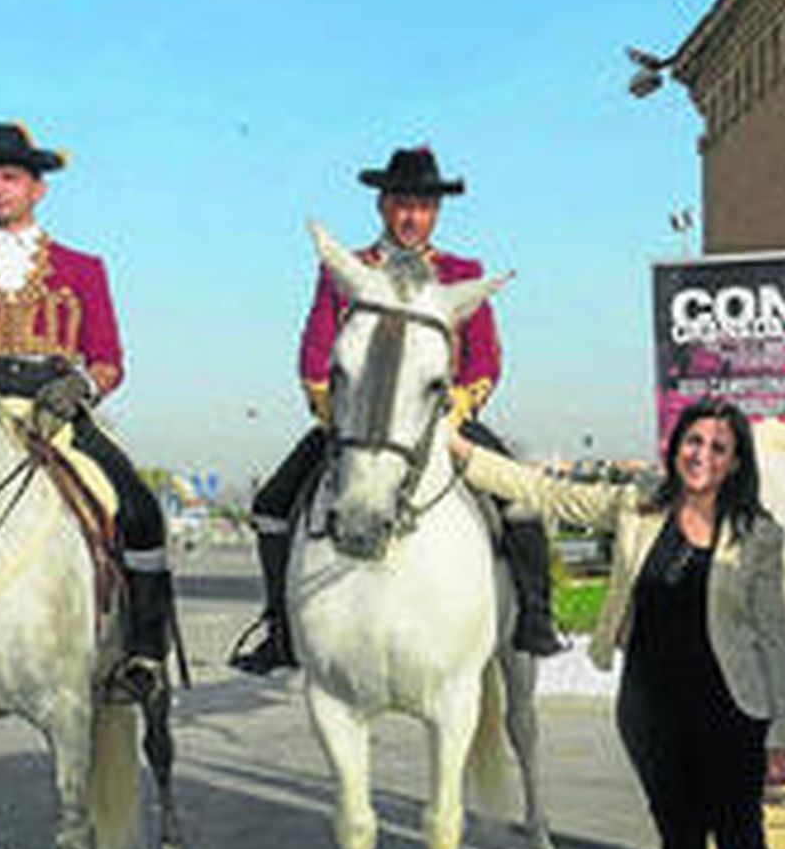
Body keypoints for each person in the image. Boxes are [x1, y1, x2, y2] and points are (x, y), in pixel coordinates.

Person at [450, 398, 785, 849]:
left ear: (736, 462)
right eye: (693, 441)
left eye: (718, 447)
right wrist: (464, 453)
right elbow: (545, 492)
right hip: (651, 711)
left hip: (732, 714)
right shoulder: (638, 502)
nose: (701, 455)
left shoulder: (758, 534)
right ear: (676, 447)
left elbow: (773, 643)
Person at [230, 145, 561, 673]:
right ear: (383, 206)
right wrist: (326, 402)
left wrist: (463, 401)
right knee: (272, 505)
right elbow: (317, 344)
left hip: (442, 419)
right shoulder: (348, 268)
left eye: (425, 207)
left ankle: (535, 618)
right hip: (357, 421)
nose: (413, 217)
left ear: (436, 213)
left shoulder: (462, 271)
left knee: (518, 499)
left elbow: (485, 356)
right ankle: (281, 626)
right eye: (404, 204)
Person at [0, 121, 172, 696]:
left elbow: (109, 358)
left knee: (140, 511)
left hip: (58, 409)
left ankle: (142, 652)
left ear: (38, 188)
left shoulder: (83, 267)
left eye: (9, 177)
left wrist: (77, 389)